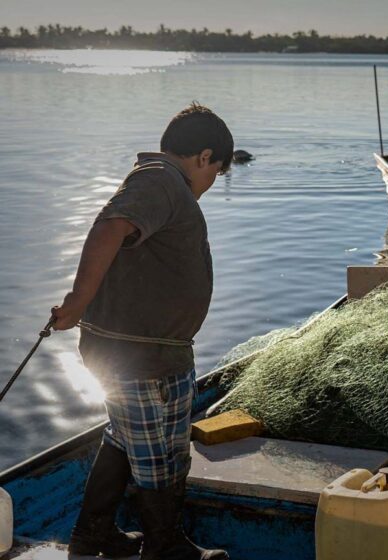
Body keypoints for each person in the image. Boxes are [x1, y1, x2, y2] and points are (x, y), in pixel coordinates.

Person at [51, 103, 233, 560]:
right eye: (217, 172)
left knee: (122, 437)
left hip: (142, 352)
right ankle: (164, 545)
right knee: (161, 456)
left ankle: (93, 535)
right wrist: (78, 298)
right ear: (204, 157)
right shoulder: (161, 181)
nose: (211, 183)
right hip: (140, 357)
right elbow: (110, 227)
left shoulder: (159, 182)